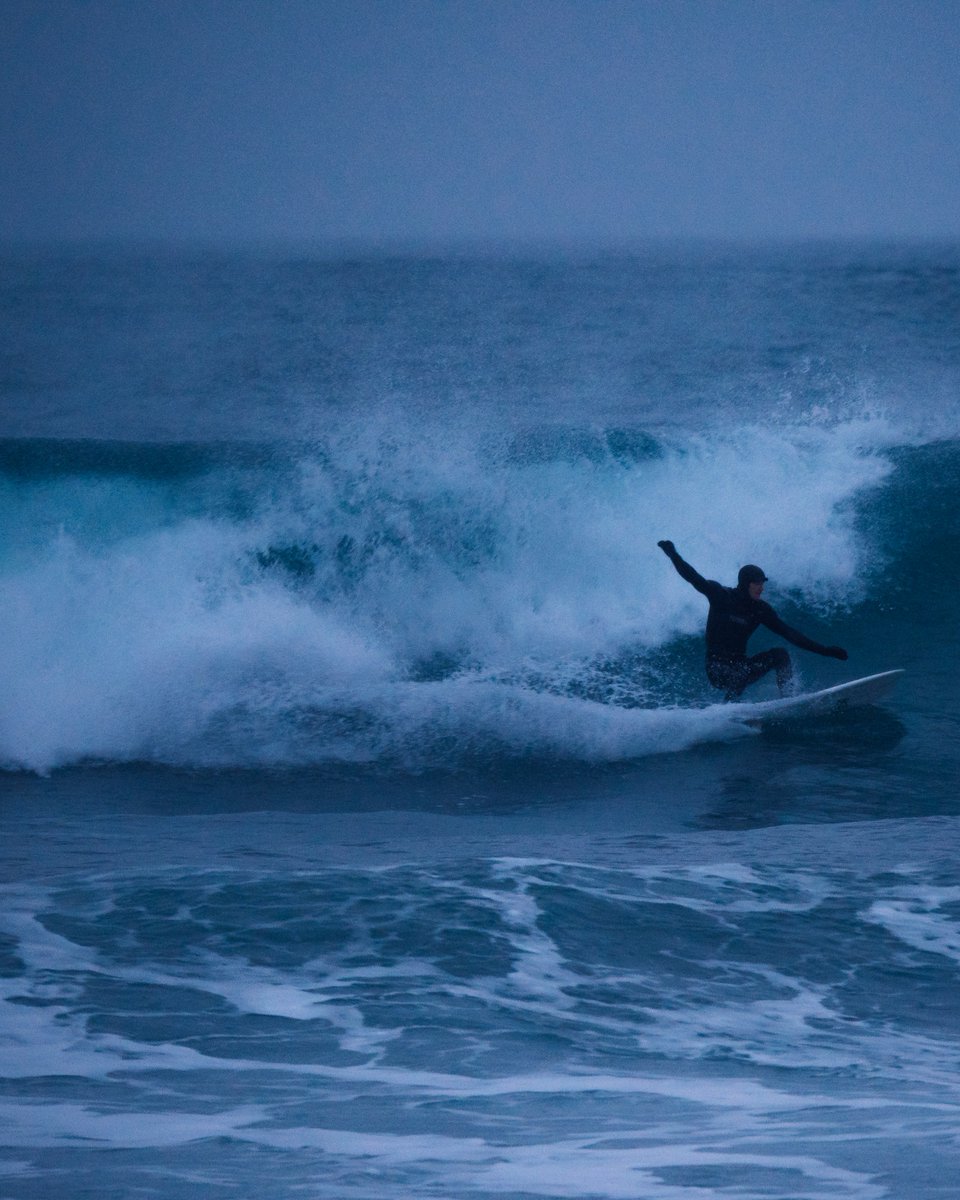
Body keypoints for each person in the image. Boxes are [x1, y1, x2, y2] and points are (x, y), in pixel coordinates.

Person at [657, 540, 848, 700]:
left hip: (741, 665)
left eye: (762, 583)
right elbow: (694, 578)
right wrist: (673, 555)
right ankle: (728, 708)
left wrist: (825, 651)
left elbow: (789, 633)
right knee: (737, 675)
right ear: (746, 583)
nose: (761, 588)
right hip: (716, 668)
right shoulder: (721, 596)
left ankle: (788, 699)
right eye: (757, 584)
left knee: (779, 655)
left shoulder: (760, 610)